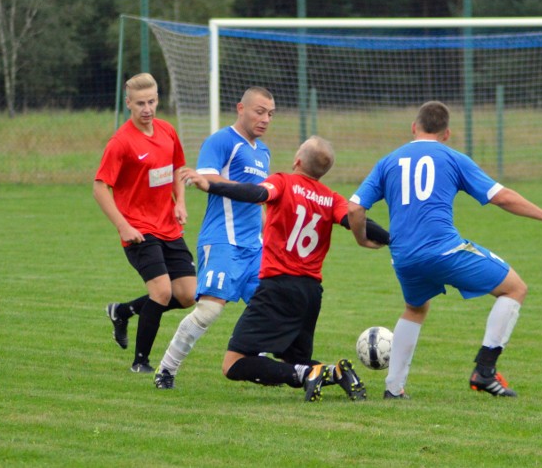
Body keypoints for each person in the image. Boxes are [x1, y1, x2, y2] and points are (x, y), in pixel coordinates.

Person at [348, 101, 542, 399]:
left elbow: (354, 208)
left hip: (403, 257)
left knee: (415, 308)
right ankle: (485, 371)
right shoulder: (453, 158)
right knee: (515, 288)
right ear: (447, 133)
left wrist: (362, 239)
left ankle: (393, 389)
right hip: (445, 251)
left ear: (414, 128)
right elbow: (501, 197)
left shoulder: (388, 161)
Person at [181, 136, 391, 402]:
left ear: (298, 160)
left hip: (277, 286)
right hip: (310, 293)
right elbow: (358, 220)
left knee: (233, 364)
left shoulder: (282, 182)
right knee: (293, 359)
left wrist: (210, 184)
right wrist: (392, 239)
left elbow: (256, 193)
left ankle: (307, 375)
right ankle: (336, 373)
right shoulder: (331, 198)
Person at [153, 87, 275, 390]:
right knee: (209, 309)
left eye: (270, 114)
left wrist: (269, 233)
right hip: (222, 240)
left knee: (269, 306)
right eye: (259, 111)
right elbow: (206, 179)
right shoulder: (222, 141)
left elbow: (259, 200)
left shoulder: (263, 152)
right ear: (241, 108)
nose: (265, 119)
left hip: (254, 247)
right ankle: (166, 369)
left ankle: (256, 362)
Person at [95, 72, 196, 373]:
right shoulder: (121, 142)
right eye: (140, 103)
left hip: (168, 226)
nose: (147, 108)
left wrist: (180, 202)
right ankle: (141, 362)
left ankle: (123, 311)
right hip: (139, 230)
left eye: (151, 101)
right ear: (128, 104)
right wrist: (123, 226)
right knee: (162, 293)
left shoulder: (166, 131)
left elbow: (178, 168)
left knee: (188, 295)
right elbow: (100, 187)